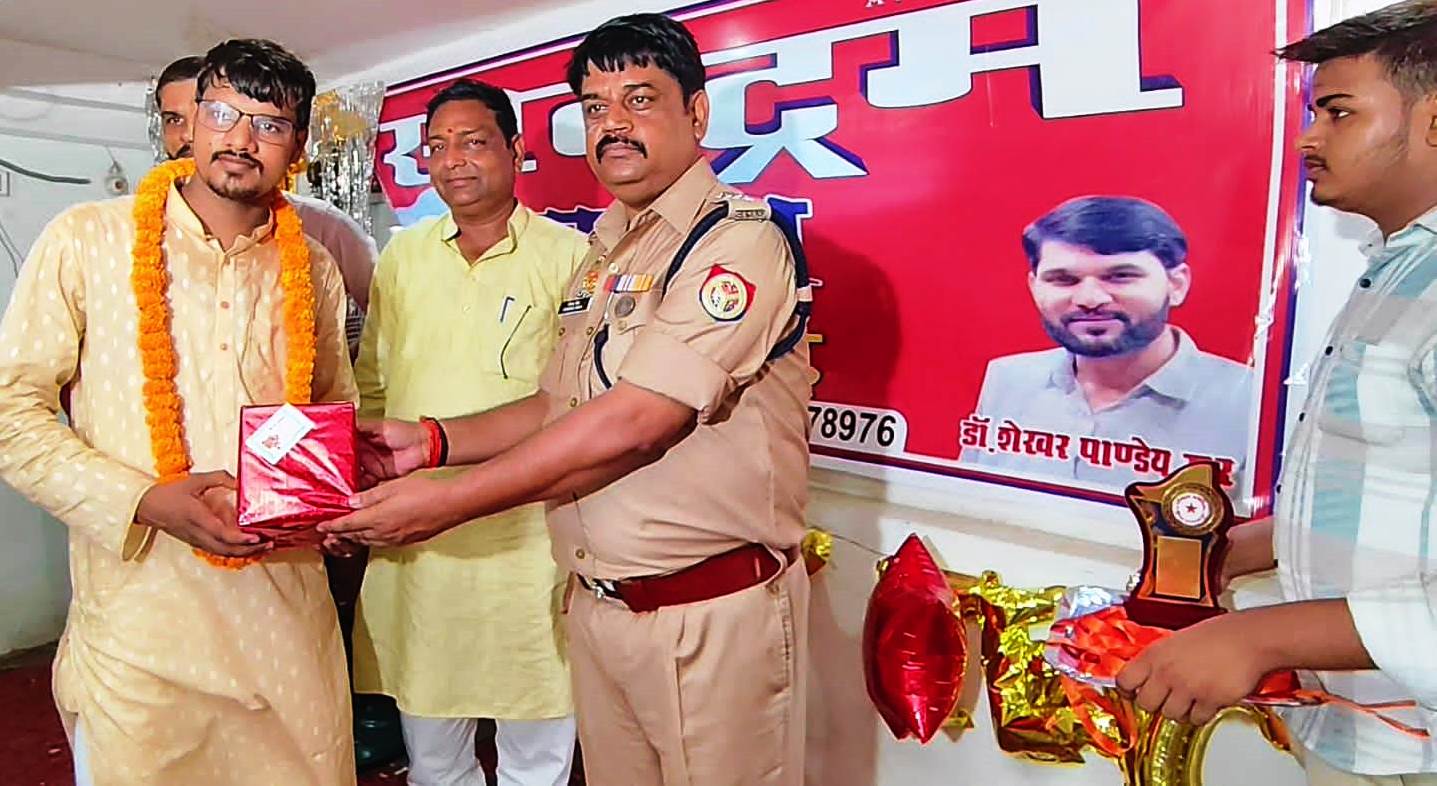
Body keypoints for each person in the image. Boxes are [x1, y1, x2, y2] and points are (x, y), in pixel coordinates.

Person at [321, 13, 813, 786]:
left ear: (696, 112)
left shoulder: (735, 240)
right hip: (599, 606)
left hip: (707, 612)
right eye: (594, 106)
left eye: (639, 100)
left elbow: (639, 422)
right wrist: (433, 442)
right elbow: (559, 402)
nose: (612, 123)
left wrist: (448, 501)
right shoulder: (609, 251)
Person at [0, 39, 357, 785]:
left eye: (270, 124)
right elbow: (11, 412)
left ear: (297, 145)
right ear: (189, 121)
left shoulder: (313, 266)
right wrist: (144, 500)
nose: (241, 139)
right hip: (140, 629)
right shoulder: (87, 239)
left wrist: (336, 509)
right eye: (222, 113)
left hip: (284, 625)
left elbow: (331, 413)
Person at [1118, 4, 1437, 785]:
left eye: (1338, 112)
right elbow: (1395, 493)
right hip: (1361, 725)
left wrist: (1259, 638)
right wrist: (1239, 549)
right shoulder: (1399, 269)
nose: (1307, 138)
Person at [351, 78, 587, 786]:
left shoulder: (573, 257)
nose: (453, 160)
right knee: (432, 751)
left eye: (474, 142)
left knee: (537, 748)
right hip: (421, 540)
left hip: (529, 542)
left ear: (515, 150)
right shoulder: (404, 256)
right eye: (437, 147)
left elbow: (581, 405)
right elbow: (374, 381)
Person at [962, 195, 1252, 489]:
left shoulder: (1251, 402)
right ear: (1034, 287)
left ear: (1176, 285)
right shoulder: (1008, 379)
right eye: (1063, 280)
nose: (1090, 299)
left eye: (1120, 276)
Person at [156, 55, 376, 324]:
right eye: (174, 120)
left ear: (297, 145)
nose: (188, 134)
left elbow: (388, 325)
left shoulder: (324, 232)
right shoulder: (119, 232)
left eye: (267, 126)